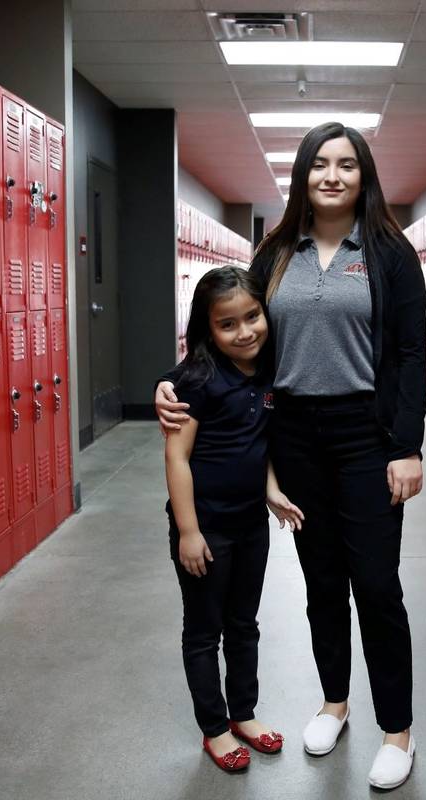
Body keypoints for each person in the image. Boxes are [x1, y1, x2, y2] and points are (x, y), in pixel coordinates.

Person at [156, 122, 426, 790]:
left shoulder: (390, 253)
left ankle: (398, 730)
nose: (333, 176)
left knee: (378, 586)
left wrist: (407, 445)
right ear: (303, 175)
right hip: (294, 432)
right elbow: (230, 330)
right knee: (322, 583)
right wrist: (169, 383)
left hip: (365, 433)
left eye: (347, 164)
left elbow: (409, 353)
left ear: (364, 176)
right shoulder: (276, 252)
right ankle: (334, 702)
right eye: (320, 165)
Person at [163, 266, 305, 773]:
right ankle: (215, 728)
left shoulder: (266, 371)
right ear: (207, 329)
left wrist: (271, 494)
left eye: (252, 317)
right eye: (228, 324)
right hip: (207, 526)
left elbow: (257, 442)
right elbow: (177, 459)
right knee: (204, 630)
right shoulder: (195, 381)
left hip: (249, 523)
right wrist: (188, 531)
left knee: (244, 624)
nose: (245, 331)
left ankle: (243, 713)